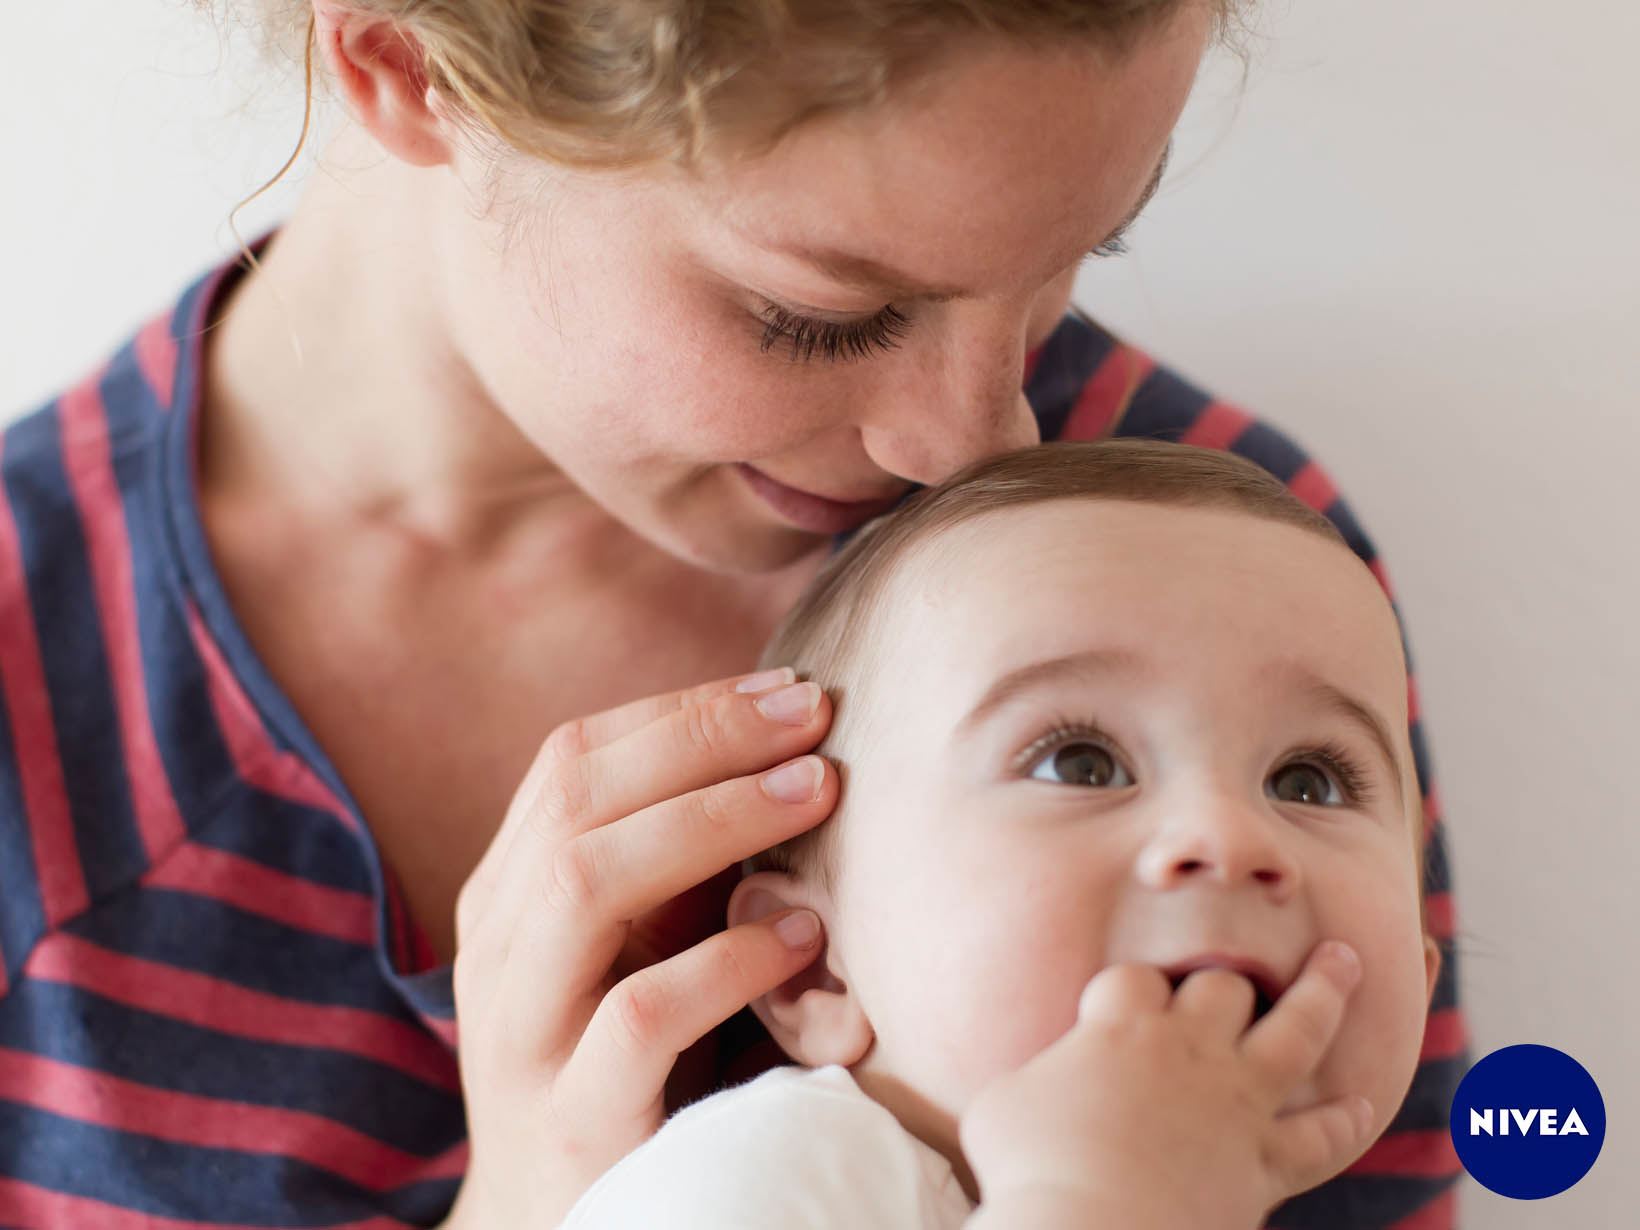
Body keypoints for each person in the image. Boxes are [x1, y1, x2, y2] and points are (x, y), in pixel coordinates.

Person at [0, 1, 1464, 1227]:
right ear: (402, 63)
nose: (982, 443)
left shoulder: (1217, 565)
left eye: (1074, 259)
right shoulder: (33, 691)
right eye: (823, 313)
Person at [555, 440, 1443, 1229]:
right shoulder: (768, 1173)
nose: (1229, 835)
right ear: (817, 969)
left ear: (1421, 961)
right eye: (1082, 763)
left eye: (1309, 781)